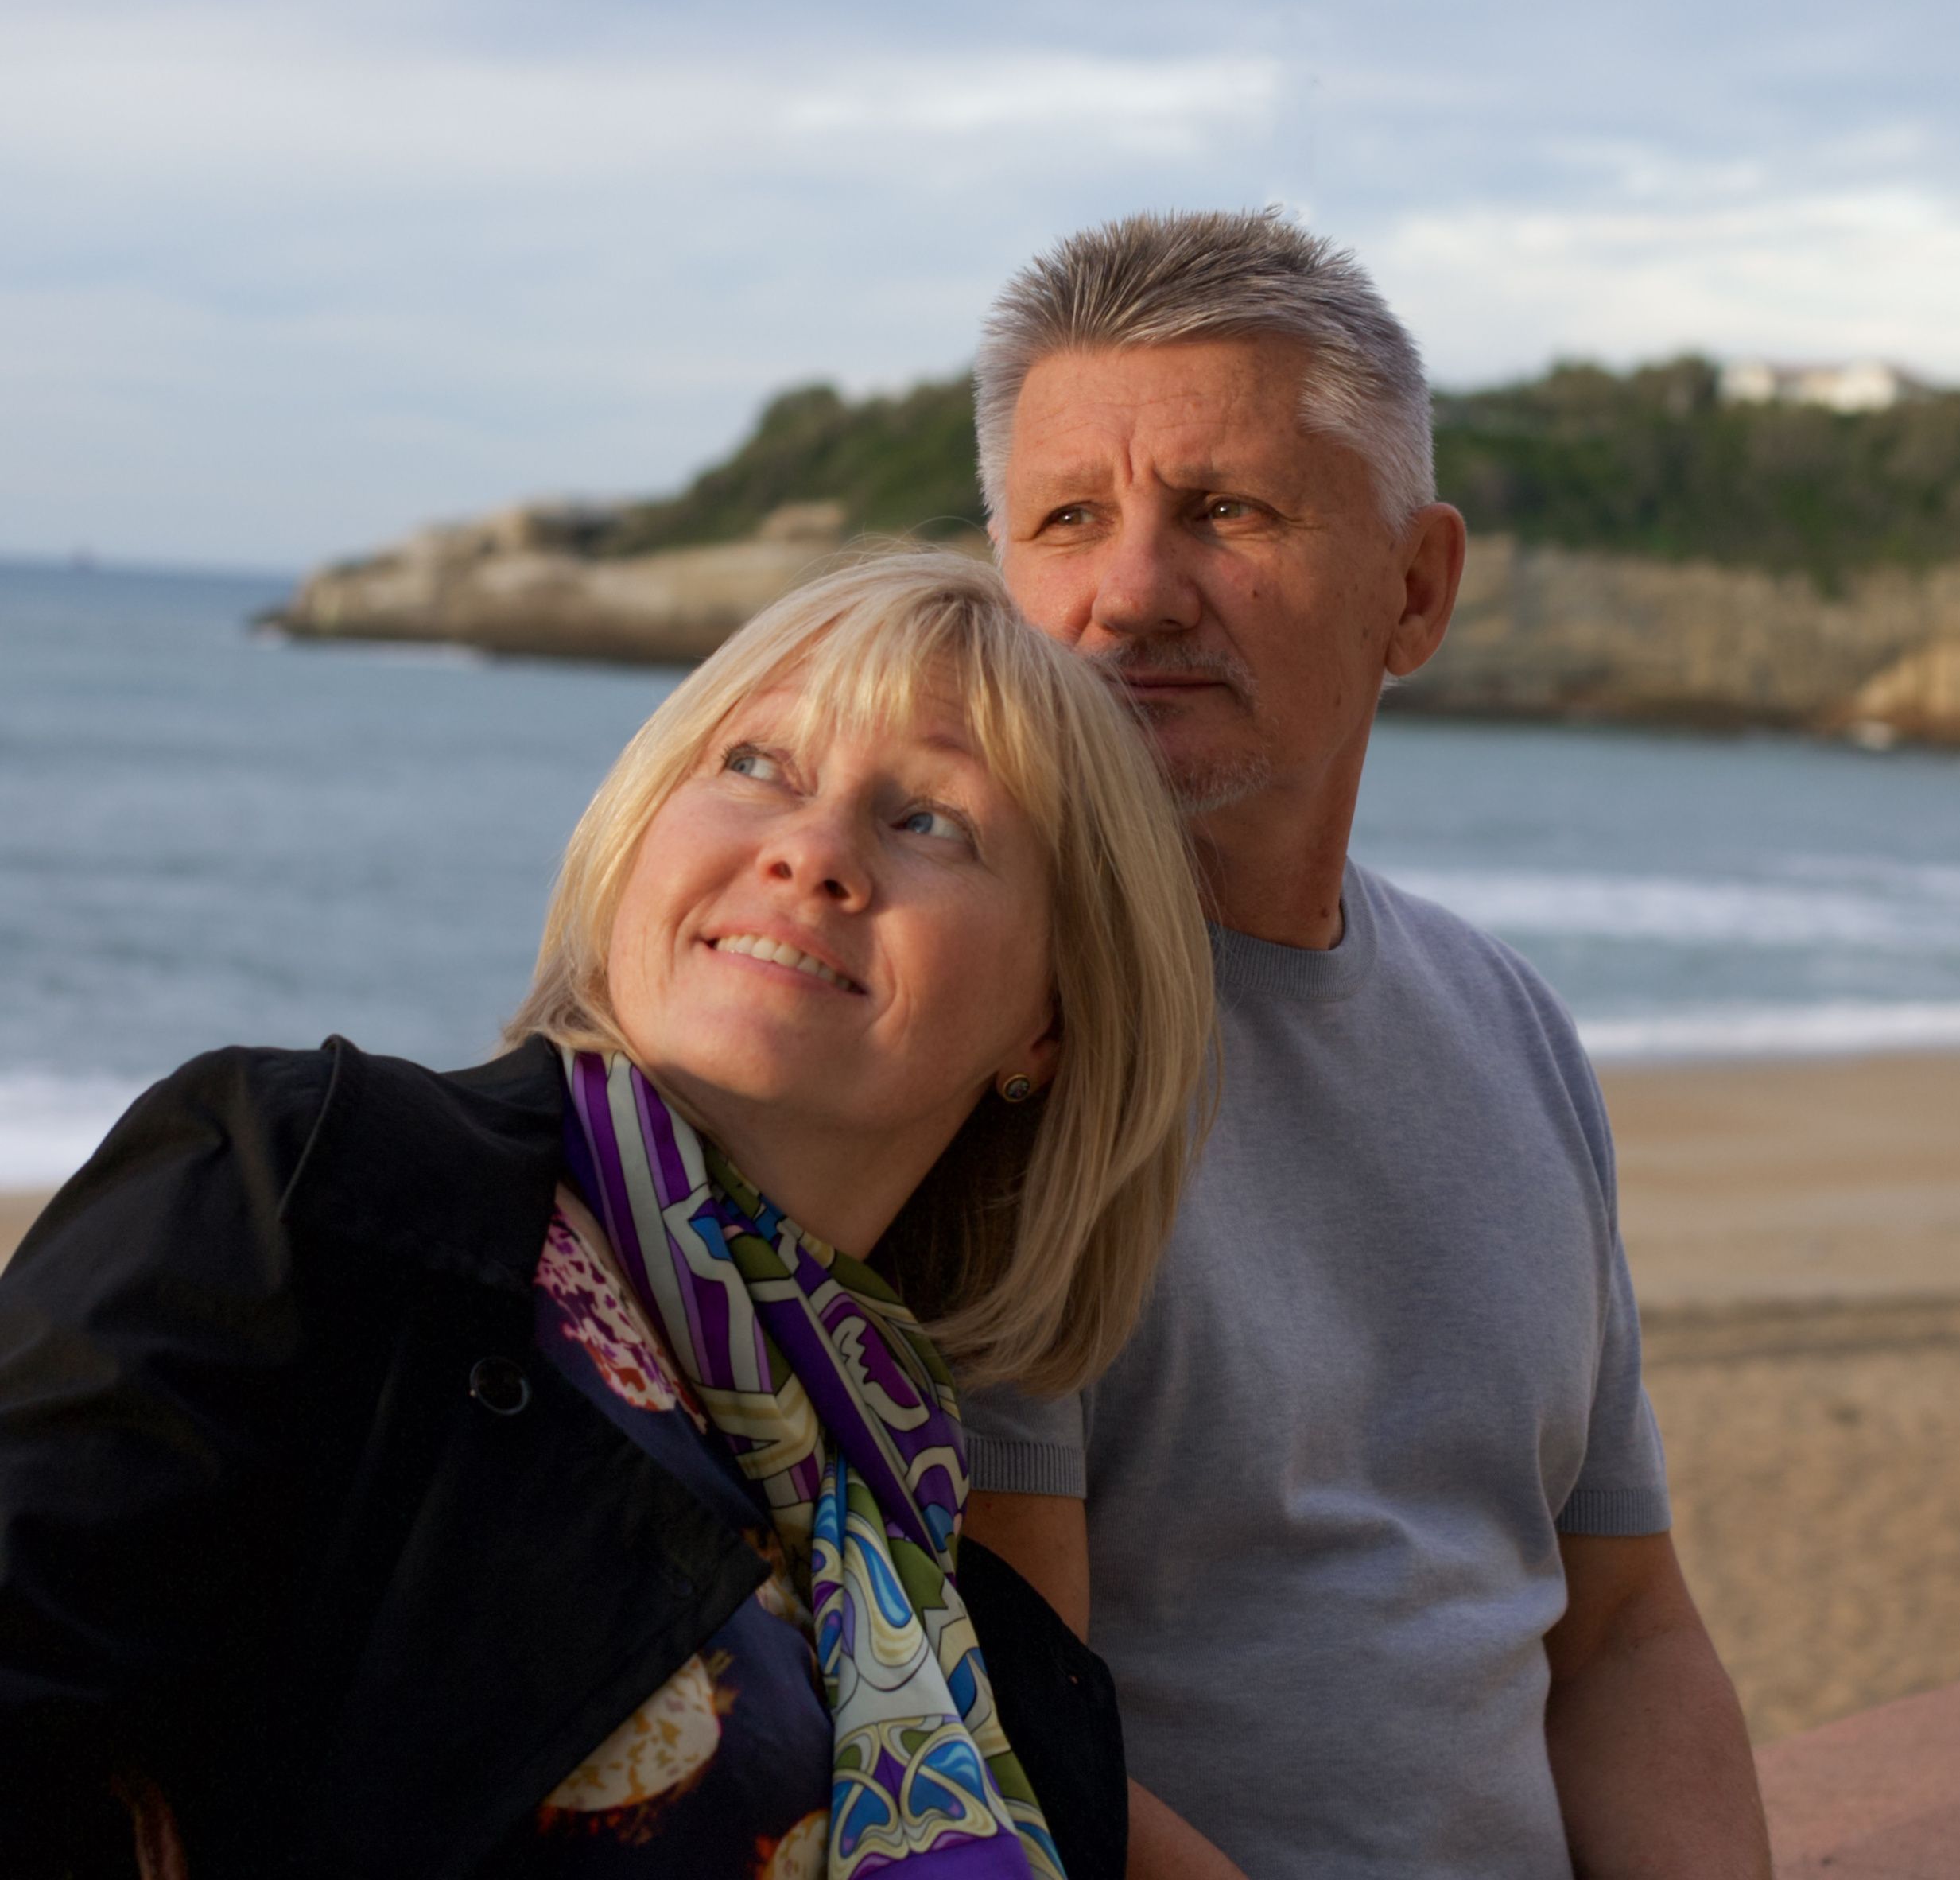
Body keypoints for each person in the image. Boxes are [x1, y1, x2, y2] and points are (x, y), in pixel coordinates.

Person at [0, 554, 1214, 1880]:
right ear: (640, 831)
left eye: (930, 821)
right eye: (757, 764)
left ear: (1047, 1019)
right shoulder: (318, 1190)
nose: (811, 852)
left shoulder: (978, 1649)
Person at [961, 211, 1772, 1879]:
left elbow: (1619, 1630)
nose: (1124, 592)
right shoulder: (975, 1040)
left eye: (1224, 510)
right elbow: (1000, 1726)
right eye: (1065, 519)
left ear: (1414, 589)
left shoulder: (1507, 1024)